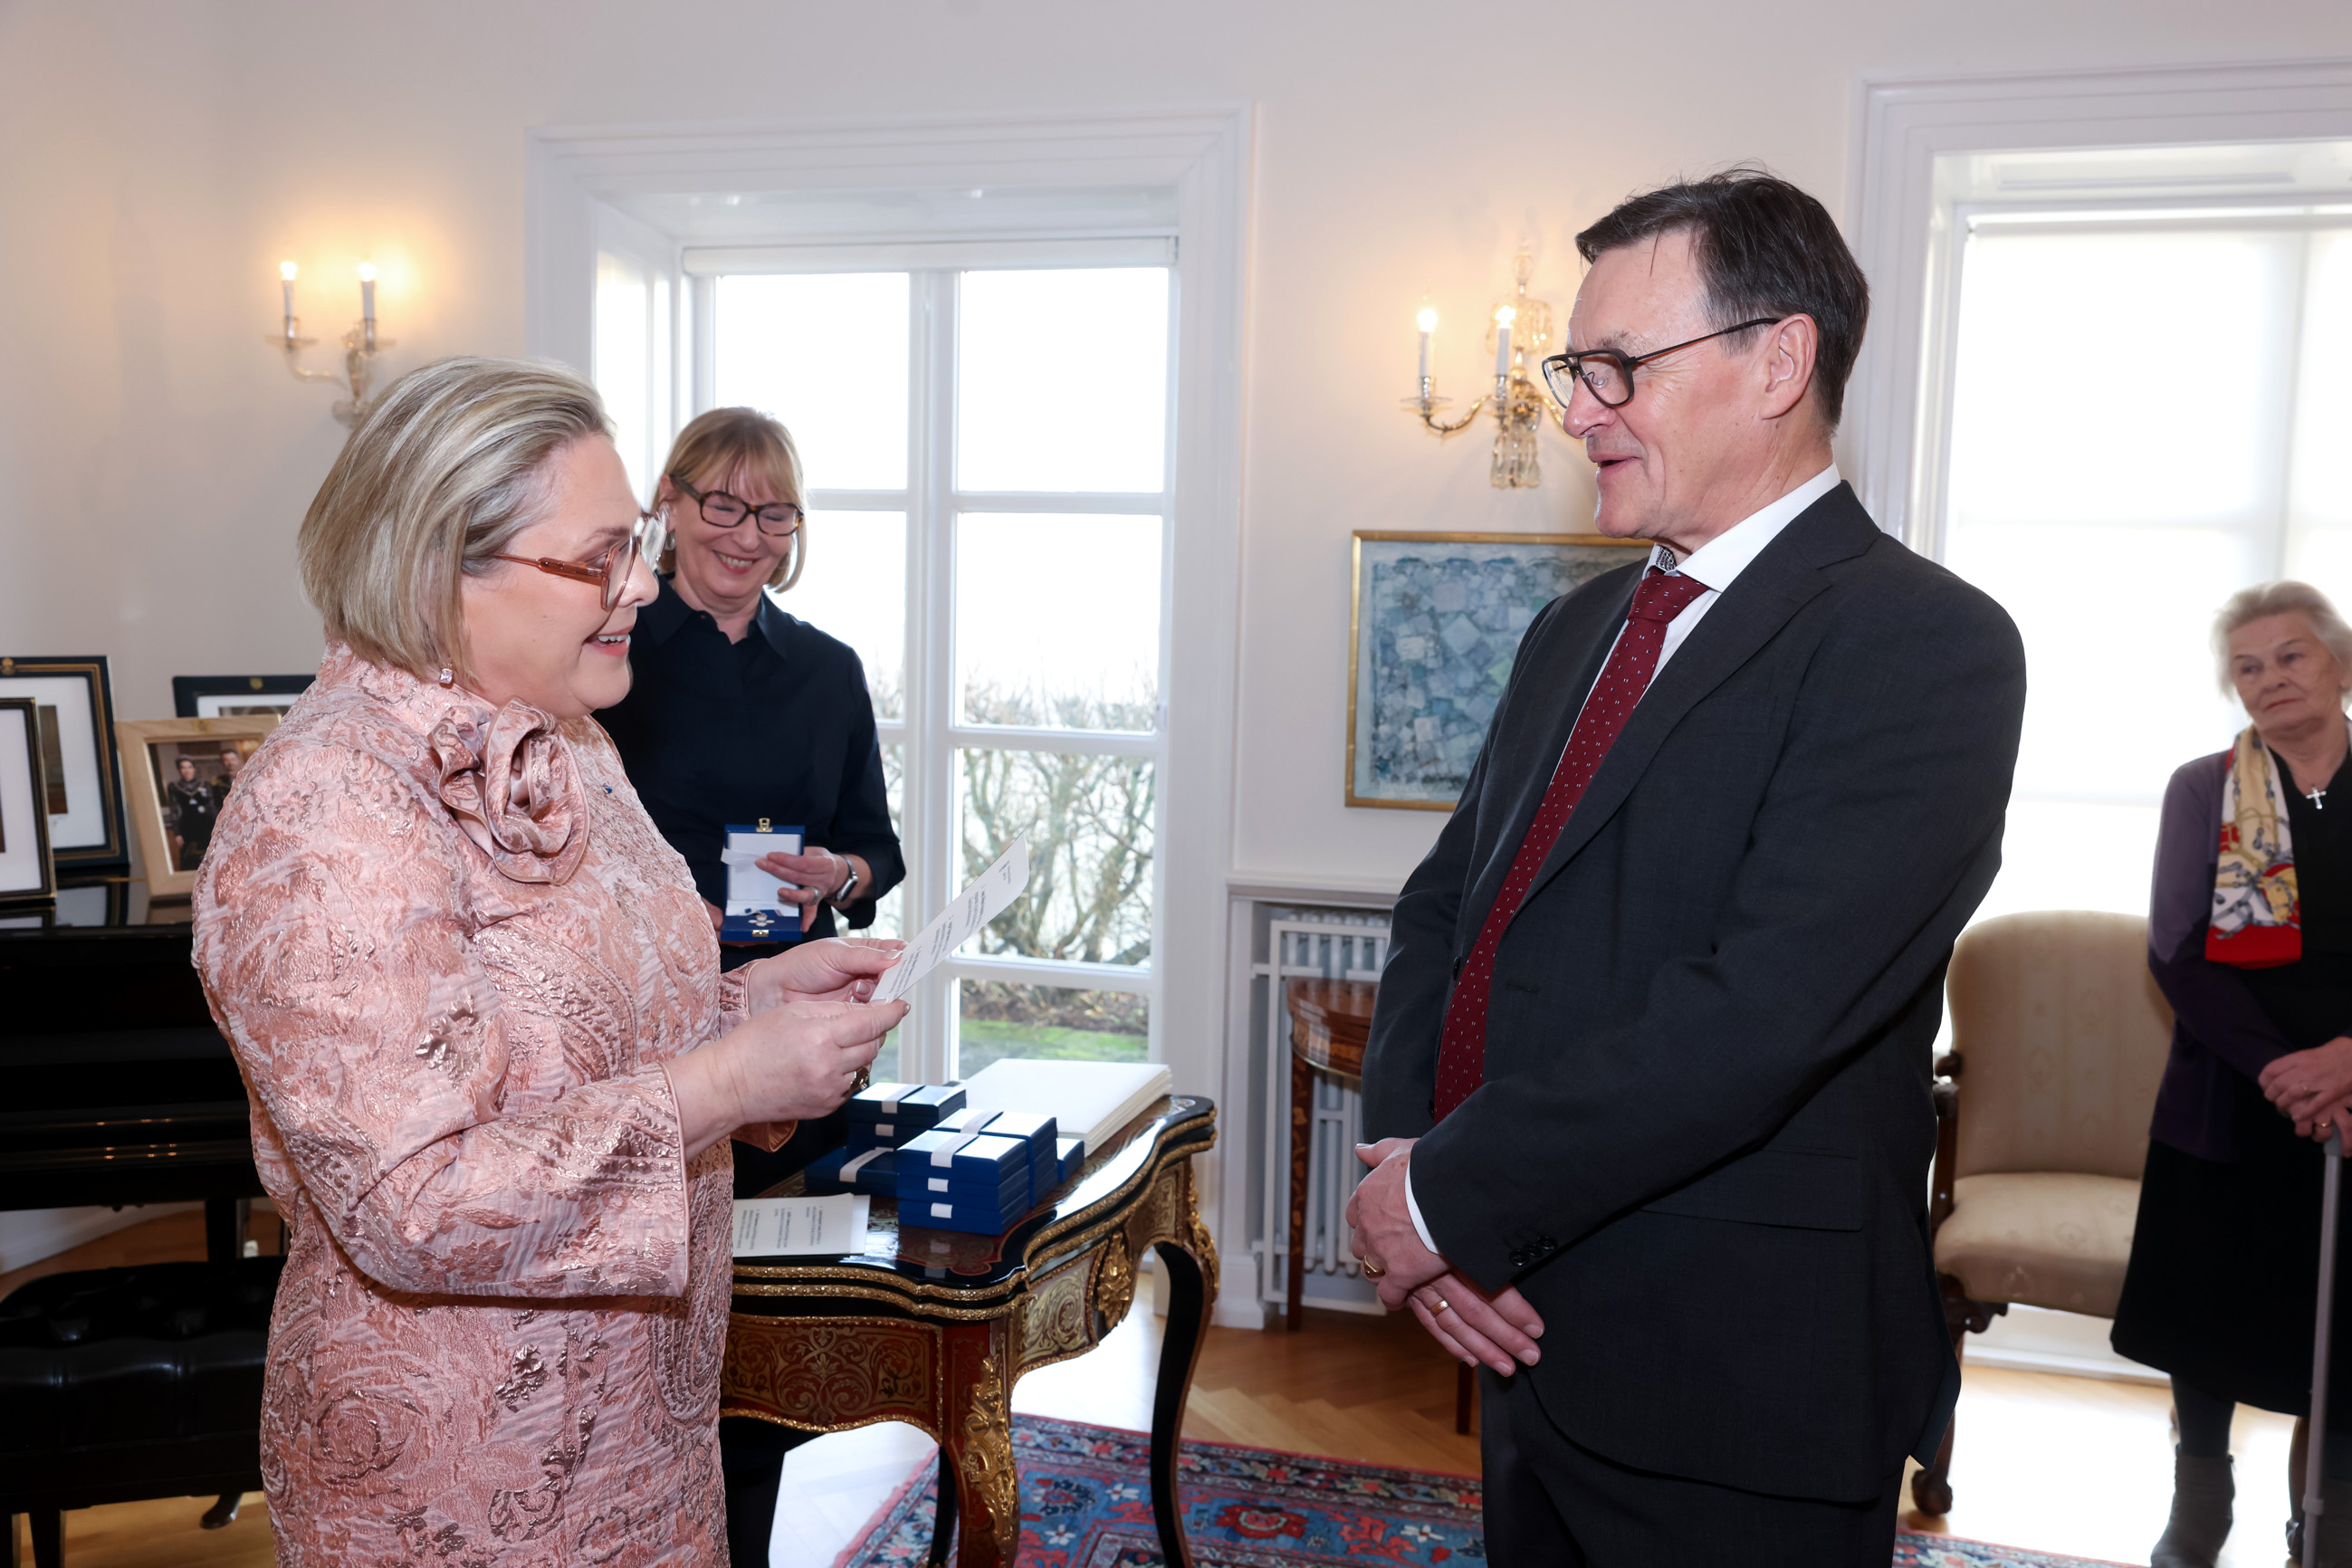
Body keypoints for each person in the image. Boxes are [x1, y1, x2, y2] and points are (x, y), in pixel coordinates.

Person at [1349, 171, 2026, 1564]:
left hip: (1733, 1380)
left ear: (1777, 361)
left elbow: (1761, 1012)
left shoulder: (1921, 644)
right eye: (1572, 369)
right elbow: (1448, 911)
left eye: (1617, 366)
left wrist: (1440, 1200)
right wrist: (1414, 1174)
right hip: (1517, 1334)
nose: (1577, 410)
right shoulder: (1577, 627)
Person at [191, 357, 905, 1565]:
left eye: (634, 547)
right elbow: (416, 1203)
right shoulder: (328, 809)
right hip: (463, 1473)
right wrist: (731, 1080)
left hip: (644, 1437)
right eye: (600, 557)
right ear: (440, 565)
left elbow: (577, 1031)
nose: (643, 586)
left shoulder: (568, 741)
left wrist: (741, 1004)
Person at [597, 406, 907, 1554]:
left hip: (795, 1039)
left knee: (762, 1349)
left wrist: (843, 872)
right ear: (669, 505)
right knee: (646, 1340)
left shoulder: (829, 671)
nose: (746, 534)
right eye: (723, 504)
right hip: (643, 1040)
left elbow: (877, 848)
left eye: (773, 513)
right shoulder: (607, 653)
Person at [2113, 581, 2352, 1568]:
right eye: (2248, 666)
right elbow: (2177, 951)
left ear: (2339, 665)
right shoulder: (2201, 788)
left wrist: (2346, 1061)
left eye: (2291, 656)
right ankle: (2200, 1503)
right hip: (2229, 1093)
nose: (2269, 678)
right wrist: (2284, 1071)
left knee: (2343, 1331)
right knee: (2205, 1319)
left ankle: (2330, 1521)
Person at [164, 752, 222, 870]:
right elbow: (174, 810)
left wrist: (218, 828)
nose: (187, 771)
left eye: (189, 767)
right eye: (183, 768)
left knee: (211, 860)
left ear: (194, 769)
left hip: (207, 826)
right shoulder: (174, 787)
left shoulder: (205, 784)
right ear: (179, 770)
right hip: (187, 827)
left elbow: (212, 807)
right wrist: (177, 833)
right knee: (190, 861)